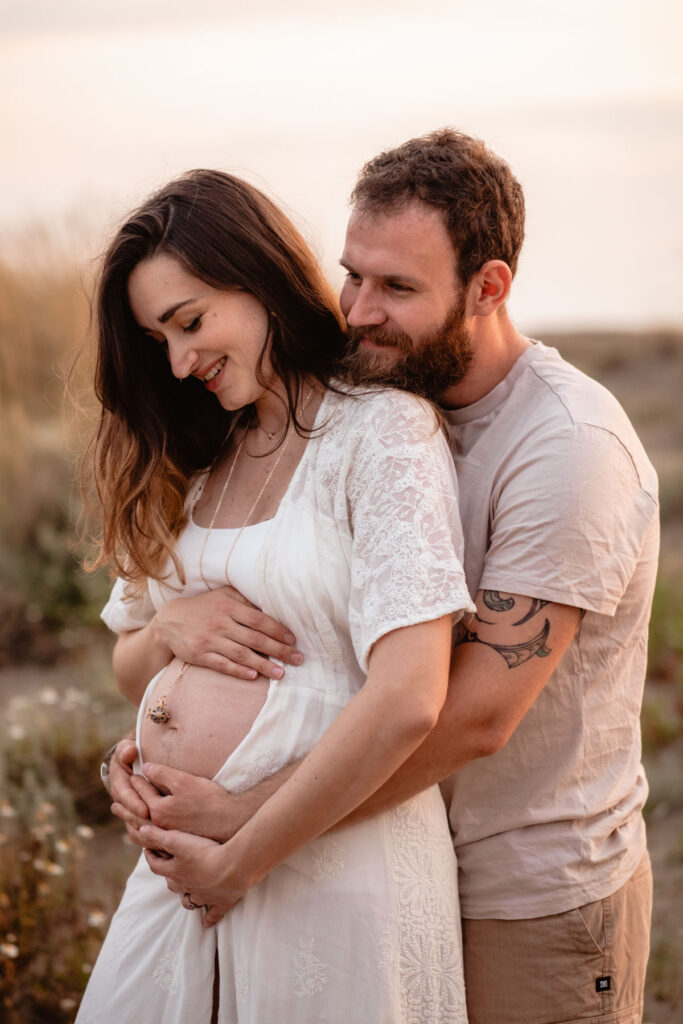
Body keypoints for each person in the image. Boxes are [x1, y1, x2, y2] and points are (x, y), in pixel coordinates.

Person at [110, 130, 659, 1024]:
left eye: (397, 288)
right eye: (351, 274)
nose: (359, 311)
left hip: (527, 886)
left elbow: (468, 714)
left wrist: (246, 827)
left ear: (487, 288)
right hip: (373, 847)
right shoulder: (369, 410)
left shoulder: (565, 449)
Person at [76, 168, 475, 1024]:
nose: (180, 362)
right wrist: (170, 635)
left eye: (190, 323)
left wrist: (243, 855)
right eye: (158, 340)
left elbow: (409, 696)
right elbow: (127, 664)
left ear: (257, 276)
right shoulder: (199, 452)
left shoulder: (381, 433)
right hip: (181, 872)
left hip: (334, 869)